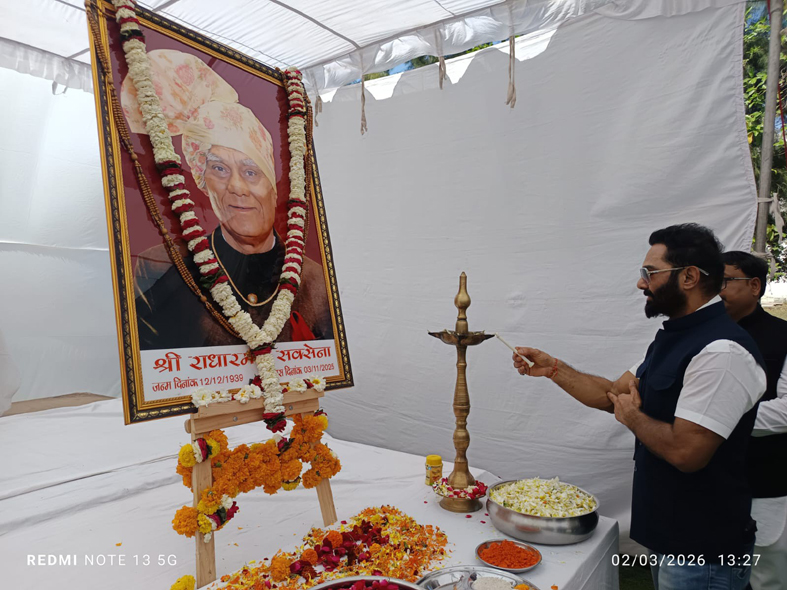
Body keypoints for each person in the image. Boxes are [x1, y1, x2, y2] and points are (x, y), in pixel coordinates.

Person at [512, 224, 766, 590]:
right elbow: (612, 395)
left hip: (703, 549)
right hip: (671, 535)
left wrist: (632, 417)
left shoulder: (721, 352)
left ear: (690, 277)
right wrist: (553, 368)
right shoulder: (677, 336)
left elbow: (686, 452)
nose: (641, 283)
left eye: (650, 272)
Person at [120, 50, 333, 349]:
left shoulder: (315, 281)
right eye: (219, 169)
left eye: (251, 171)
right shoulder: (159, 266)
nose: (236, 187)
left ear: (273, 188)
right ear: (203, 182)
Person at [720, 251, 787, 590]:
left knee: (765, 575)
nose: (716, 290)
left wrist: (714, 420)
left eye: (726, 281)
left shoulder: (783, 336)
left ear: (755, 286)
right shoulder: (700, 334)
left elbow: (786, 411)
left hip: (764, 481)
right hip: (706, 482)